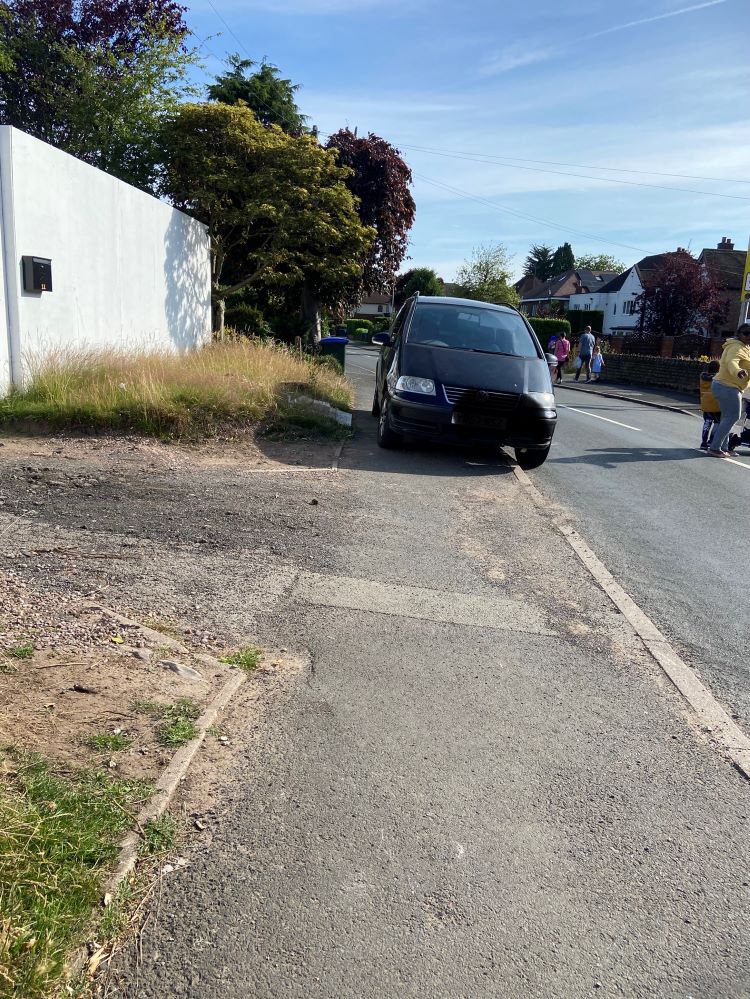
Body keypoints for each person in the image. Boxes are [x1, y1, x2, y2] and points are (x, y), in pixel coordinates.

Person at [707, 323, 750, 458]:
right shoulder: (736, 347)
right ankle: (715, 447)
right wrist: (737, 371)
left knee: (727, 418)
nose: (749, 336)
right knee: (733, 417)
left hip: (728, 386)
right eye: (746, 333)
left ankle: (724, 447)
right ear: (739, 334)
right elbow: (732, 362)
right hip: (727, 386)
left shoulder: (745, 348)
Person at [699, 359, 721, 451]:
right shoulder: (718, 378)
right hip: (716, 404)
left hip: (705, 403)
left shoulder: (702, 377)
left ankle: (703, 443)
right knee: (717, 423)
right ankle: (711, 441)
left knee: (707, 423)